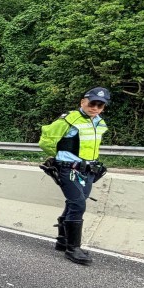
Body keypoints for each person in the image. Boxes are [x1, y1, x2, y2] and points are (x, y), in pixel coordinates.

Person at [38, 86, 111, 266]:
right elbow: (46, 141)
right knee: (78, 203)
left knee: (77, 201)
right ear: (83, 102)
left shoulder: (99, 122)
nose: (95, 108)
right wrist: (60, 159)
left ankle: (63, 241)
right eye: (92, 103)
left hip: (87, 170)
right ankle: (73, 248)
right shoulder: (69, 120)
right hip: (68, 169)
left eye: (100, 105)